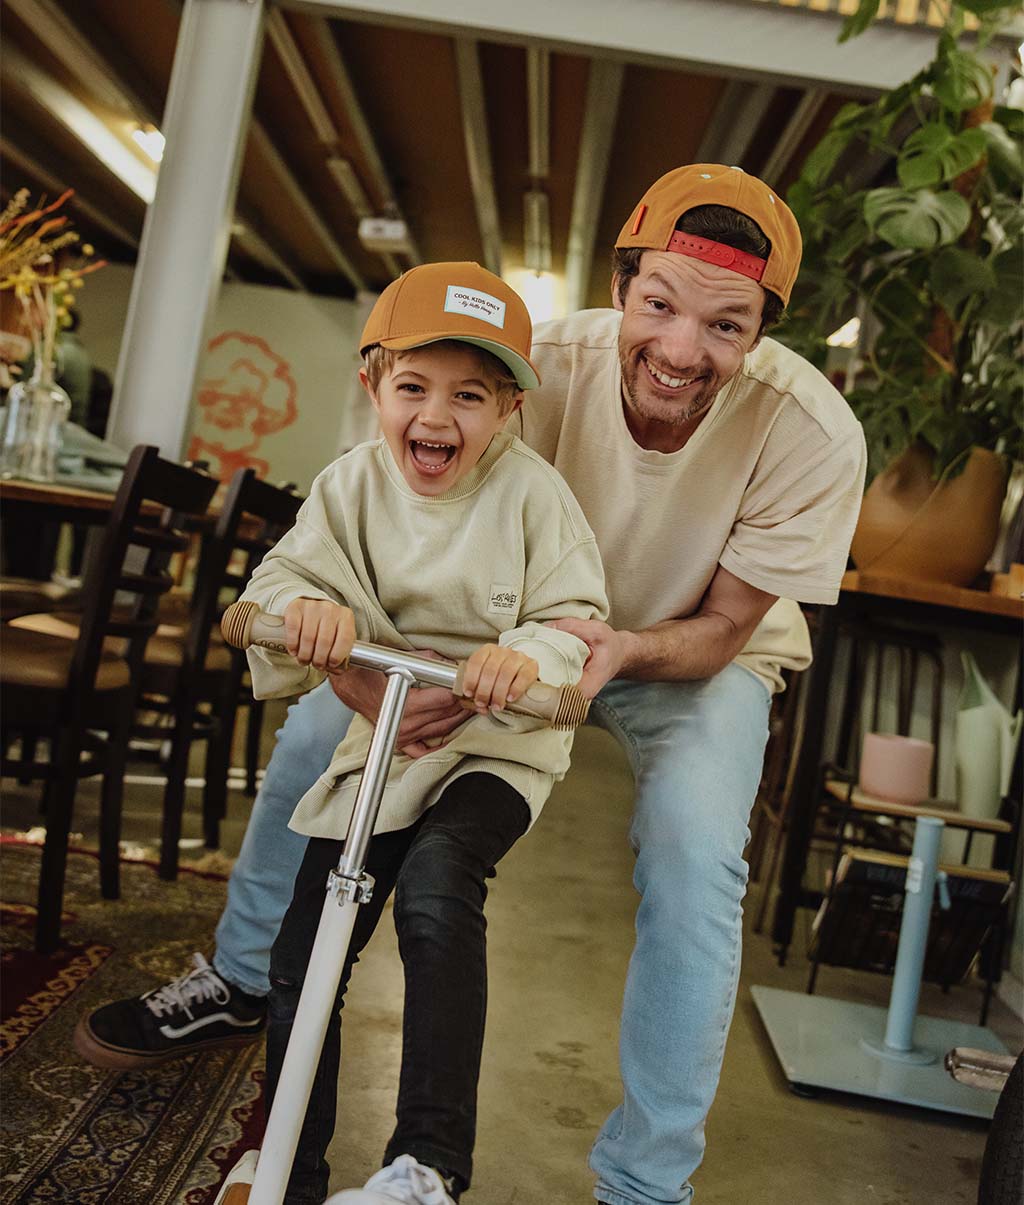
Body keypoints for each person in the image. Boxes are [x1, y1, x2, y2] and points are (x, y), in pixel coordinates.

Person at [77, 165, 867, 1205]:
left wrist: (615, 650)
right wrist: (360, 675)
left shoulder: (810, 431)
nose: (680, 350)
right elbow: (406, 519)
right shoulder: (531, 367)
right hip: (498, 630)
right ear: (620, 284)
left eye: (725, 326)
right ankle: (238, 975)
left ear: (764, 327)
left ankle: (644, 1181)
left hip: (678, 652)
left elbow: (724, 626)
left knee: (695, 852)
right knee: (320, 735)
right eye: (658, 305)